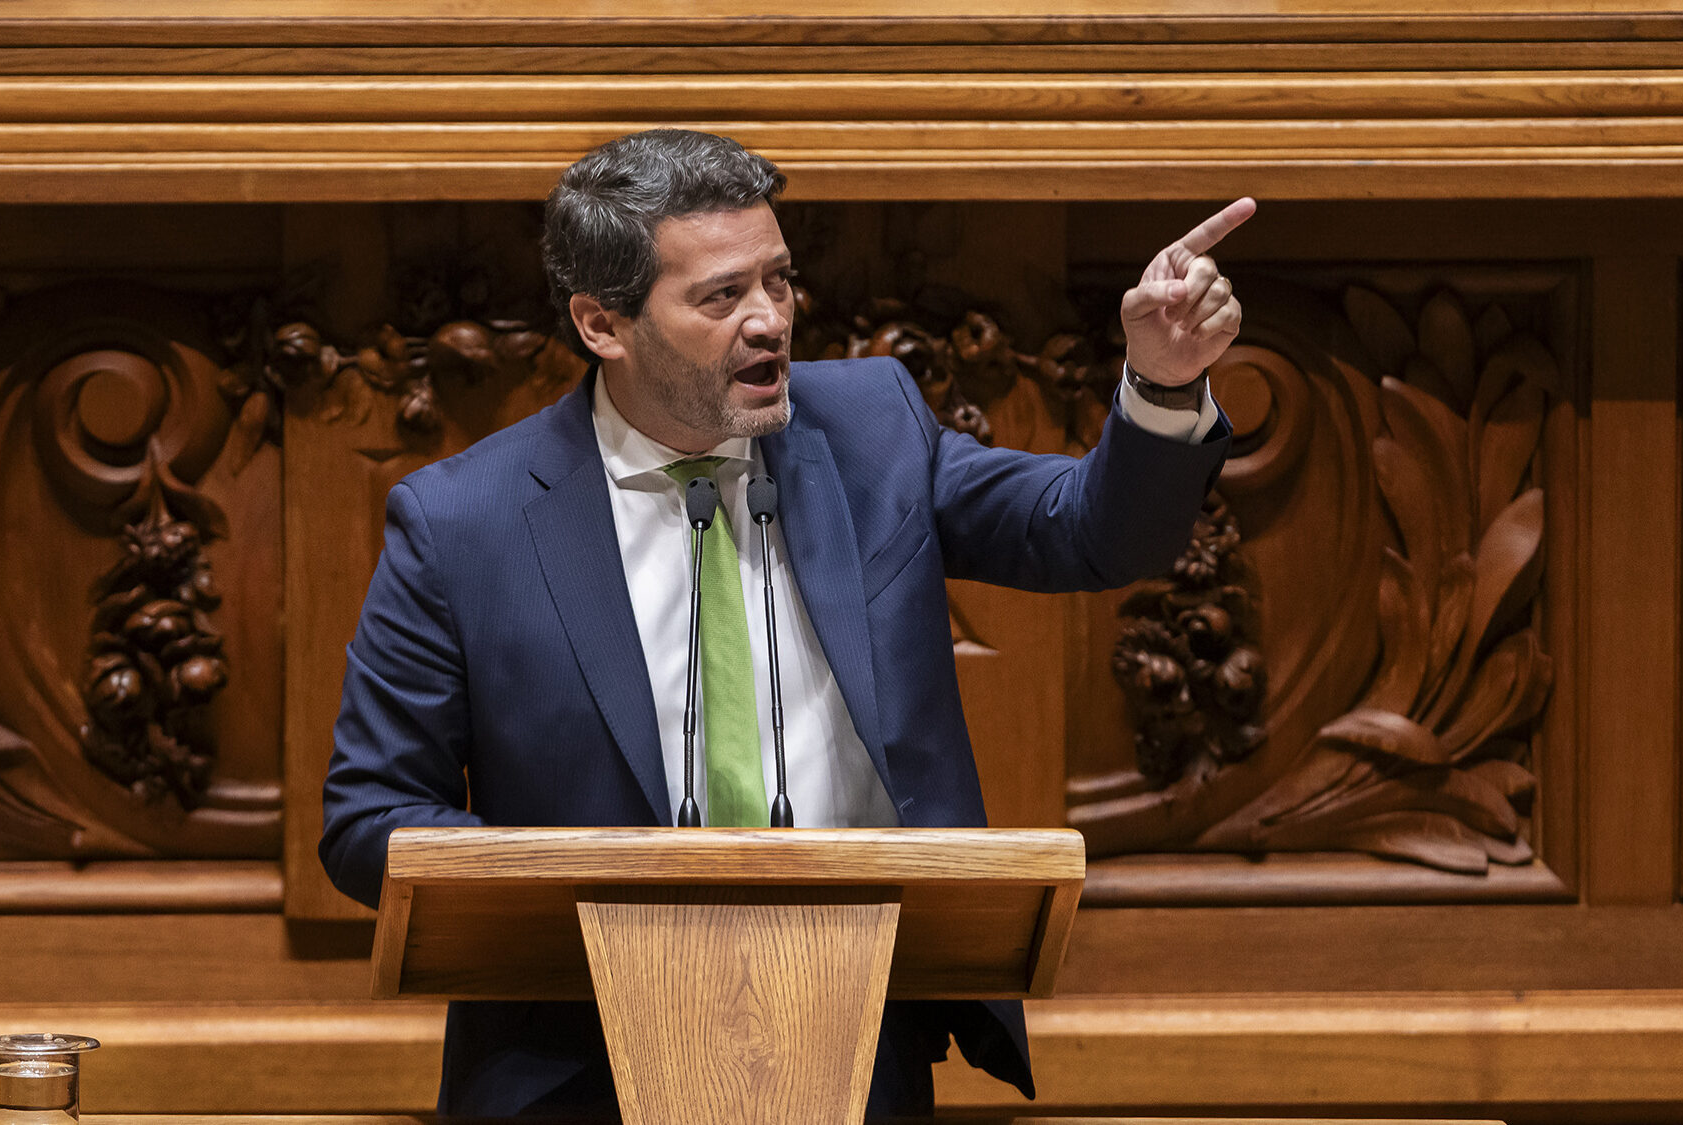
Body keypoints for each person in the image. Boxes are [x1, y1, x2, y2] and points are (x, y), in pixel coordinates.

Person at [322, 128, 1247, 1118]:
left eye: (778, 280)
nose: (769, 321)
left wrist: (1159, 383)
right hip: (577, 1069)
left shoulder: (871, 430)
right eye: (721, 296)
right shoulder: (463, 523)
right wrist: (588, 904)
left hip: (855, 1042)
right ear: (602, 323)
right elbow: (370, 817)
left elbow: (1088, 537)